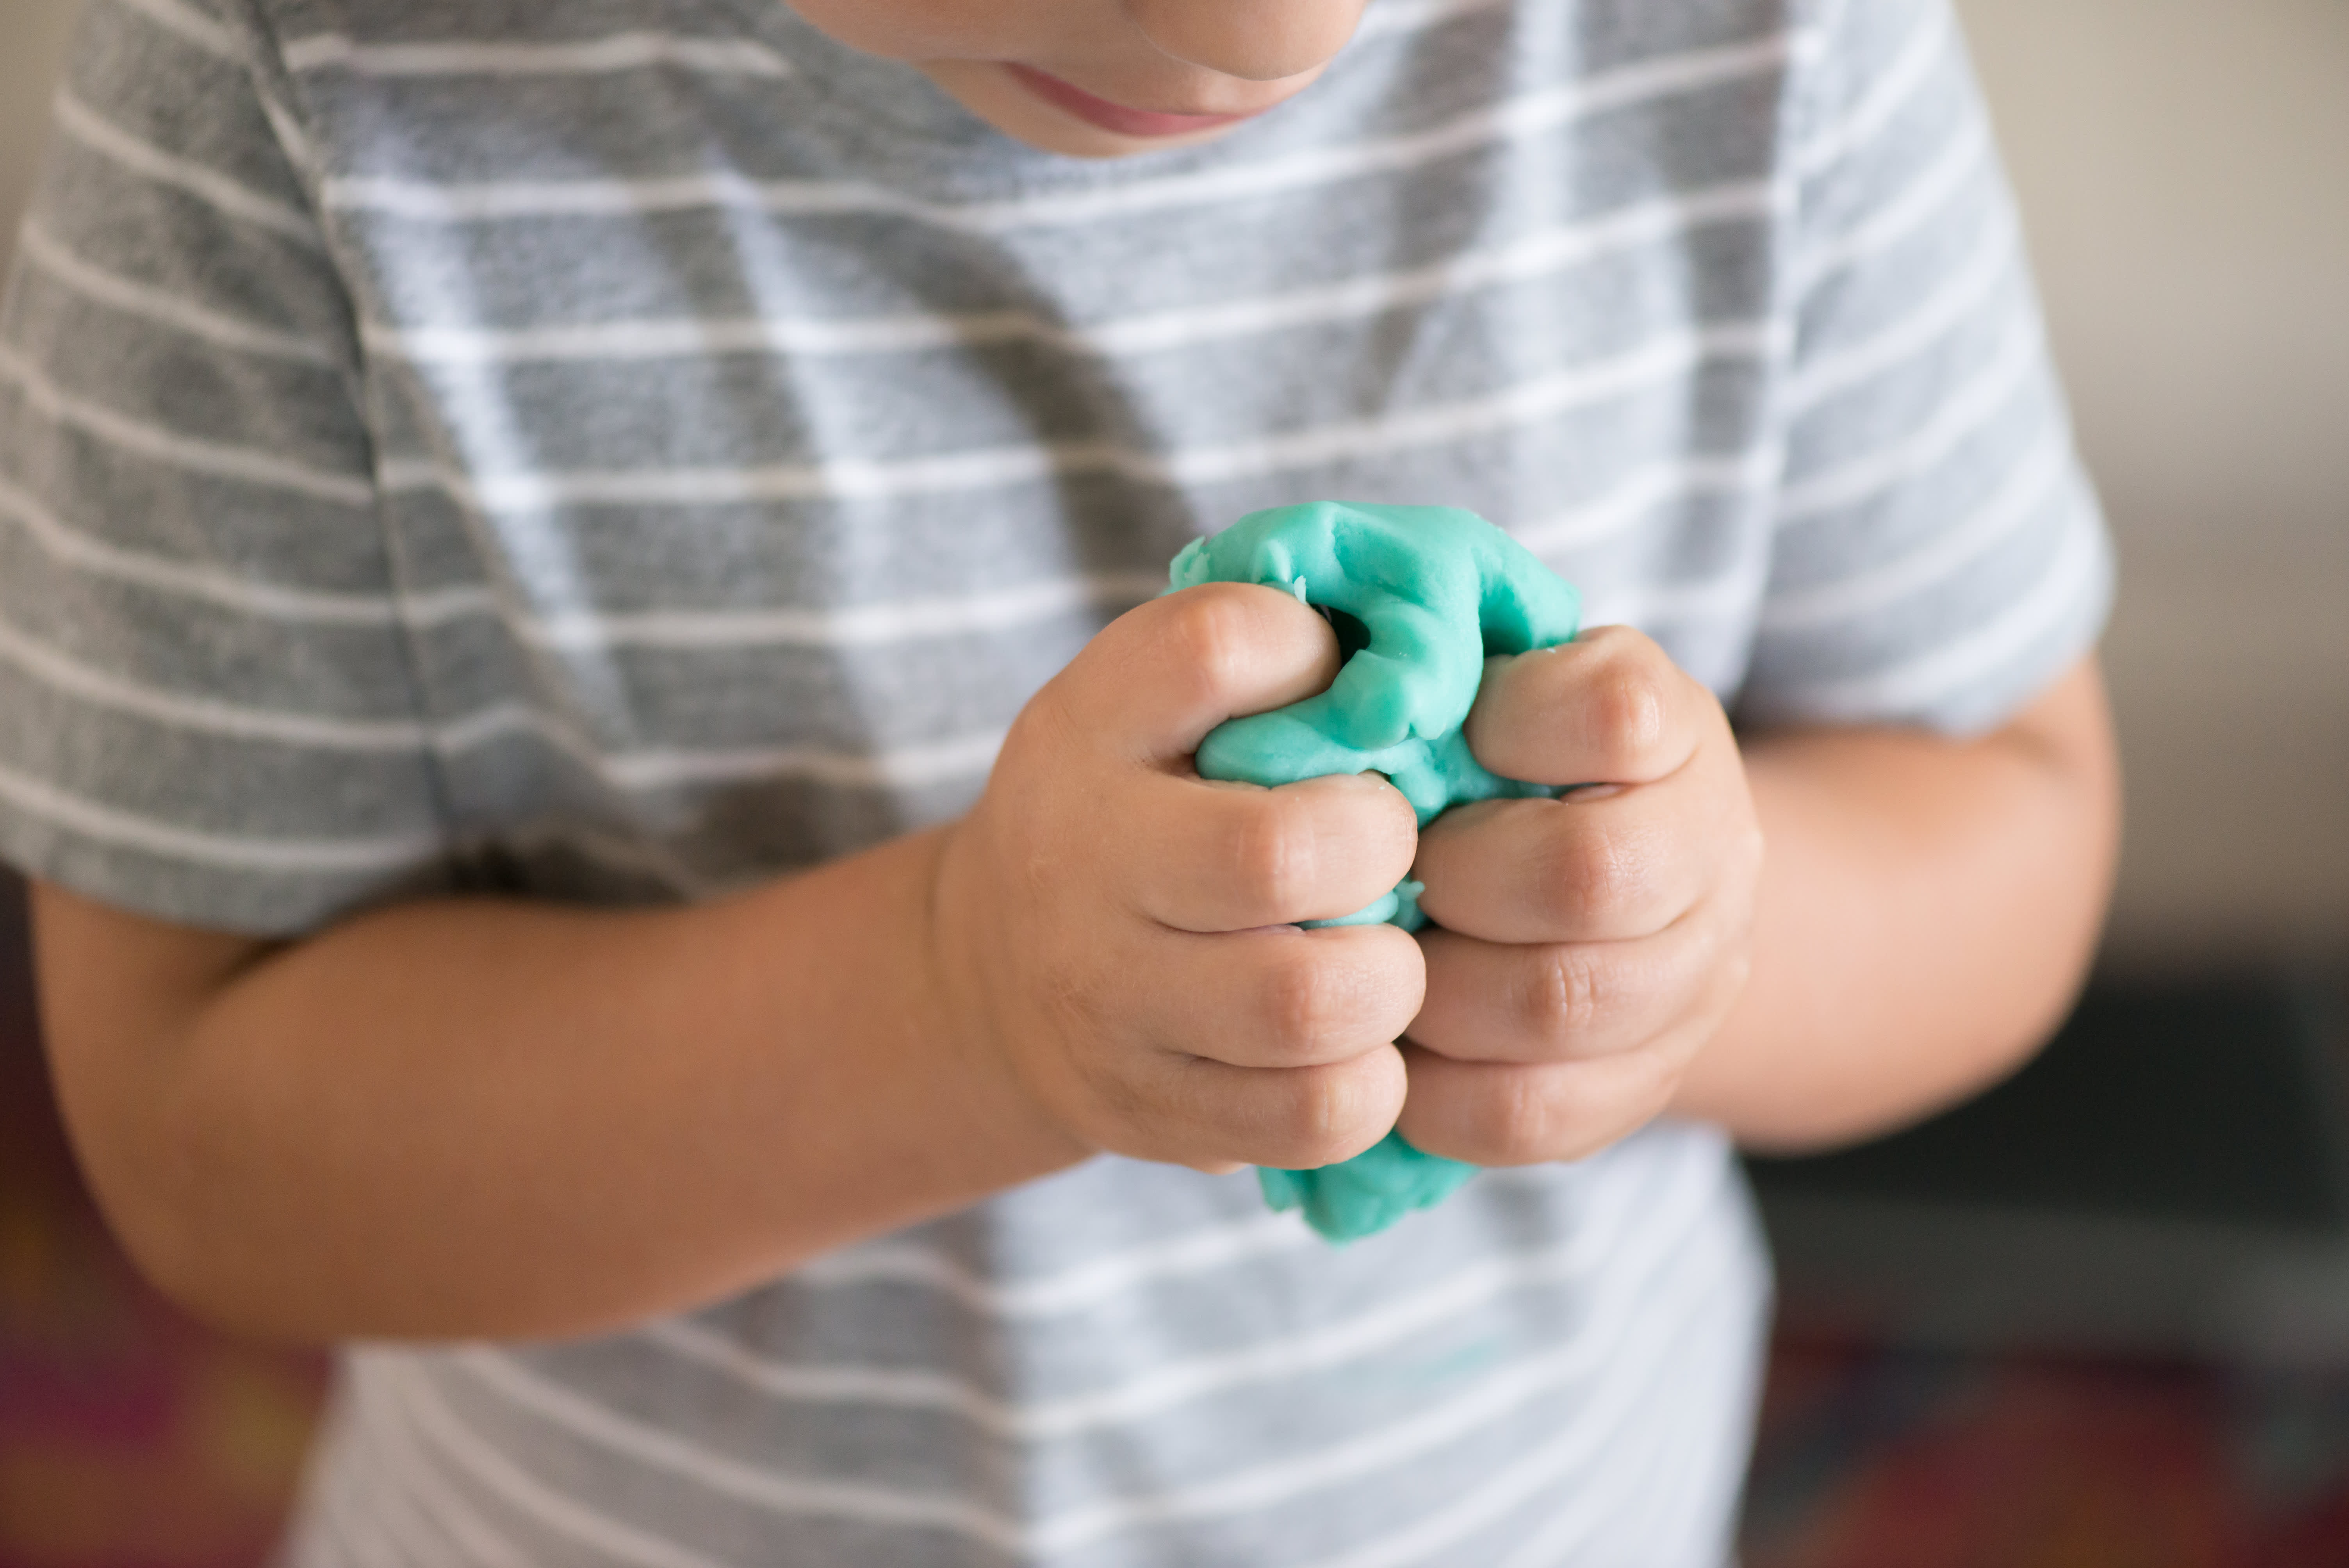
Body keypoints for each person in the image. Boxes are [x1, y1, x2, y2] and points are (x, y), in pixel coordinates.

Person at [0, 0, 2119, 1559]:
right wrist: (956, 1002)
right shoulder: (274, 89)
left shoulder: (1774, 44)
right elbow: (204, 1135)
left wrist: (1688, 950)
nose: (1253, 29)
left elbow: (2012, 812)